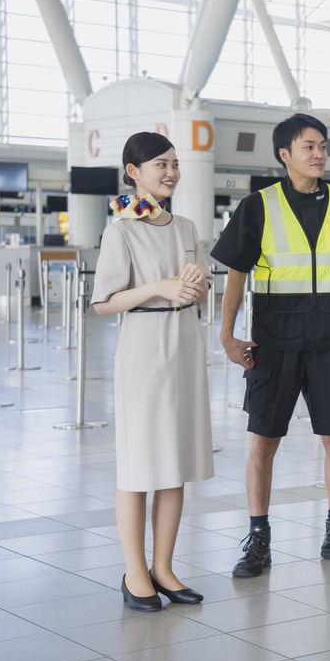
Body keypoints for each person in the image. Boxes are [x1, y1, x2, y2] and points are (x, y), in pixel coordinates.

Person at [211, 113, 330, 577]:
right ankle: (258, 538)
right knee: (264, 440)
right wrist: (227, 336)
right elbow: (236, 274)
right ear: (284, 155)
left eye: (323, 146)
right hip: (274, 341)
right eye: (309, 147)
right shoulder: (258, 206)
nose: (319, 154)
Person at [91, 132, 214, 612]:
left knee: (173, 460)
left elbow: (199, 287)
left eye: (175, 164)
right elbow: (104, 303)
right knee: (139, 462)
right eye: (160, 164)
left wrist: (194, 287)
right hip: (144, 346)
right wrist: (160, 287)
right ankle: (135, 571)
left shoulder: (185, 227)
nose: (171, 172)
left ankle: (164, 566)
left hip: (184, 342)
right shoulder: (120, 229)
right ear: (133, 171)